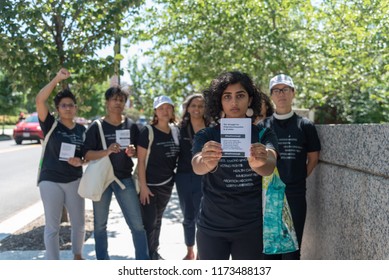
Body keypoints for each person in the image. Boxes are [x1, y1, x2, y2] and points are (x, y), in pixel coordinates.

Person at [191, 71, 279, 260]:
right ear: (219, 102)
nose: (234, 102)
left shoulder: (264, 134)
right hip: (211, 226)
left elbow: (270, 164)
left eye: (240, 95)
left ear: (250, 100)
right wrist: (206, 161)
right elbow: (196, 165)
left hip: (250, 227)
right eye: (227, 97)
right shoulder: (206, 135)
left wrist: (260, 162)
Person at [83, 86, 149, 260]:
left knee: (137, 226)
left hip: (124, 178)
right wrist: (106, 151)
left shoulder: (131, 125)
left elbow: (135, 152)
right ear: (107, 102)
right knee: (99, 226)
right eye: (114, 99)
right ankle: (103, 262)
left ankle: (144, 263)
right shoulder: (96, 126)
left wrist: (132, 151)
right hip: (102, 179)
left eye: (121, 100)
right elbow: (87, 154)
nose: (118, 103)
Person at [262, 74, 321, 260]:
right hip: (268, 196)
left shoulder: (305, 126)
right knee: (269, 250)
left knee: (292, 250)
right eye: (277, 90)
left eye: (285, 89)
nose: (281, 94)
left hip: (295, 195)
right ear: (271, 95)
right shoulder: (263, 126)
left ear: (293, 93)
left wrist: (299, 177)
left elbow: (313, 158)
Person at [35, 68, 86, 260]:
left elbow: (86, 156)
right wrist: (57, 78)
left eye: (71, 105)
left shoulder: (82, 130)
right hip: (51, 181)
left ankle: (78, 256)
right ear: (58, 109)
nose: (68, 108)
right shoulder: (51, 124)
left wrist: (80, 161)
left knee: (79, 223)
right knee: (52, 226)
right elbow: (40, 100)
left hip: (74, 180)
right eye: (63, 105)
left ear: (75, 108)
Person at [137, 95, 180, 260]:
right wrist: (143, 187)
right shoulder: (147, 131)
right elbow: (140, 161)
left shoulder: (175, 131)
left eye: (168, 107)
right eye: (161, 108)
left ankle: (154, 252)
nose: (165, 111)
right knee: (149, 223)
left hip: (167, 185)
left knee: (158, 220)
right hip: (149, 186)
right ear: (155, 111)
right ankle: (147, 257)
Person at [176, 93, 209, 260]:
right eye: (193, 105)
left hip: (207, 176)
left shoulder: (212, 127)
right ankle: (190, 250)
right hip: (184, 177)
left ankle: (203, 251)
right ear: (187, 108)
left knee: (205, 215)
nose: (197, 109)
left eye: (201, 106)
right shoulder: (179, 128)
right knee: (188, 216)